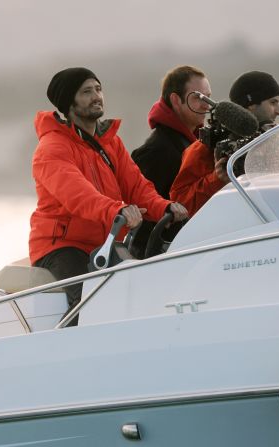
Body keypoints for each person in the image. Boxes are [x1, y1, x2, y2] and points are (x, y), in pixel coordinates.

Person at [29, 67, 188, 324]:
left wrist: (165, 207)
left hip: (105, 242)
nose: (97, 96)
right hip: (62, 245)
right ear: (69, 102)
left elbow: (137, 187)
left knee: (139, 297)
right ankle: (71, 354)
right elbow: (78, 195)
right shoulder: (51, 148)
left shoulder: (110, 142)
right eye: (86, 92)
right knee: (89, 304)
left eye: (98, 89)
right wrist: (117, 210)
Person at [170, 71, 279, 216]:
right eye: (273, 103)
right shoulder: (205, 147)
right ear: (251, 105)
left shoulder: (275, 142)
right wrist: (216, 179)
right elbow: (181, 204)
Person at [130, 65, 212, 257]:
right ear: (176, 100)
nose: (207, 105)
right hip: (160, 259)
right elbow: (145, 220)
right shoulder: (155, 151)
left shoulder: (195, 143)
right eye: (198, 97)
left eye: (209, 97)